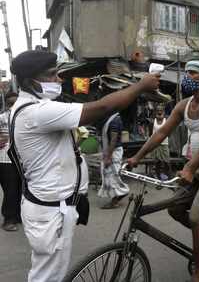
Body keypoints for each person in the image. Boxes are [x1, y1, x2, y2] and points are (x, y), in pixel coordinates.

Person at [9, 50, 159, 282]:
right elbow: (99, 108)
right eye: (52, 75)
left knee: (47, 271)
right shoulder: (37, 112)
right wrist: (140, 86)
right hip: (51, 210)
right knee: (48, 276)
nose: (59, 80)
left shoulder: (33, 106)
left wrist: (79, 195)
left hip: (53, 205)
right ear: (31, 82)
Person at [127, 60, 199, 282]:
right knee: (175, 209)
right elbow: (161, 134)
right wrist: (137, 157)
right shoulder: (184, 105)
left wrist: (189, 167)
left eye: (192, 73)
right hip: (196, 167)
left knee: (197, 218)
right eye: (186, 72)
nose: (186, 77)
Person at [98, 113, 130, 209]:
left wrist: (108, 156)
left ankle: (118, 197)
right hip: (111, 151)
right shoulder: (112, 119)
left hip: (113, 152)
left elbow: (113, 139)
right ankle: (116, 197)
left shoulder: (114, 120)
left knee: (113, 176)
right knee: (110, 175)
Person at [0, 92, 21, 231]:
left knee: (20, 188)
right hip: (5, 159)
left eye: (15, 103)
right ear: (6, 104)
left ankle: (17, 215)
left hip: (22, 160)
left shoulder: (23, 116)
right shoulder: (2, 117)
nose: (13, 106)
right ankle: (8, 219)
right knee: (11, 190)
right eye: (11, 103)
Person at [151, 104, 170, 180]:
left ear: (163, 111)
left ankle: (168, 176)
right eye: (158, 110)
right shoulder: (153, 120)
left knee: (166, 162)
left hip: (164, 143)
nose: (159, 112)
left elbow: (169, 131)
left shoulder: (167, 120)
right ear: (156, 111)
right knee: (157, 162)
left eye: (161, 110)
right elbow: (151, 133)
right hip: (156, 144)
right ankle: (159, 177)